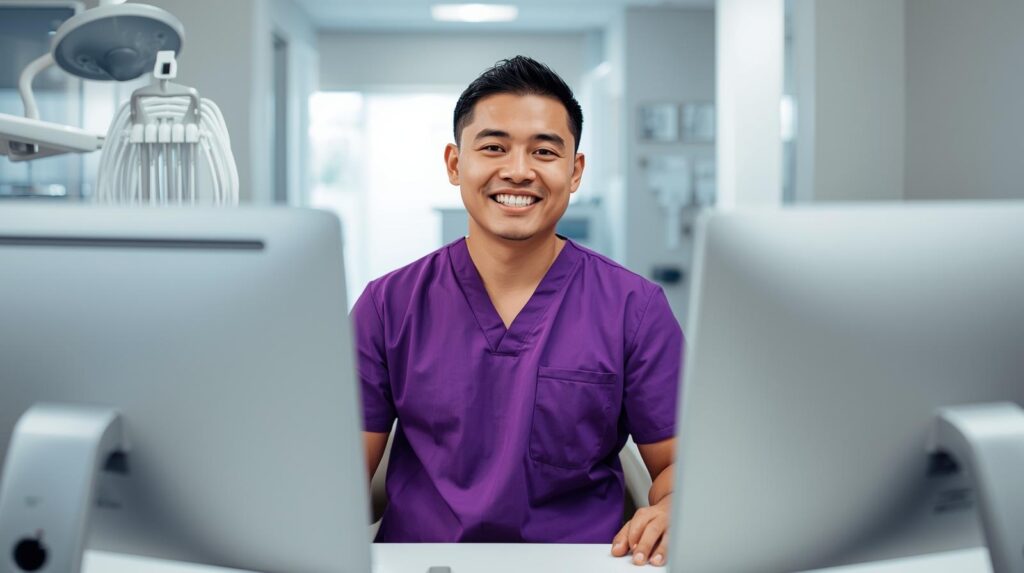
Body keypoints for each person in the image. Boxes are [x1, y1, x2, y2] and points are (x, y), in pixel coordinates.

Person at [354, 55, 684, 567]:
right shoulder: (388, 306)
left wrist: (673, 508)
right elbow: (339, 478)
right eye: (494, 147)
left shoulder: (633, 309)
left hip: (577, 566)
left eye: (544, 151)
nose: (518, 171)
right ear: (454, 164)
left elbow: (679, 467)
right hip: (422, 564)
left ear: (574, 172)